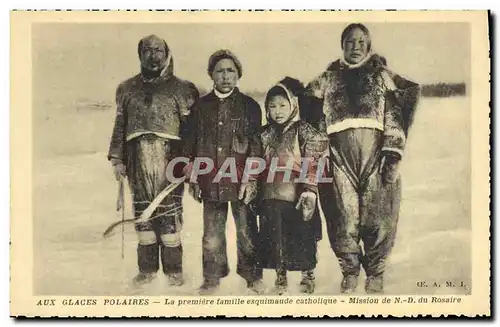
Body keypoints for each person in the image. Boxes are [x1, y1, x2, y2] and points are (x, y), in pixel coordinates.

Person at [303, 23, 421, 294]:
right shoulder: (328, 78)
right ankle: (350, 270)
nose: (355, 47)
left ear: (368, 46)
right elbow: (312, 112)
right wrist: (320, 152)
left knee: (378, 215)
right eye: (350, 41)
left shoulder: (380, 75)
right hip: (338, 158)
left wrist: (392, 153)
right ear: (342, 45)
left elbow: (394, 112)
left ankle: (376, 272)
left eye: (360, 42)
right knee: (342, 216)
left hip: (375, 155)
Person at [107, 34, 199, 287]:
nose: (153, 55)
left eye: (158, 49)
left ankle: (173, 271)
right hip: (137, 156)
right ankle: (147, 270)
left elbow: (191, 130)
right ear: (140, 54)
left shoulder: (184, 89)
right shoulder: (126, 89)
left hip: (170, 157)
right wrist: (117, 159)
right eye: (147, 50)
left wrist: (189, 161)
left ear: (166, 53)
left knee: (168, 211)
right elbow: (120, 125)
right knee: (143, 212)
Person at [183, 49, 265, 295]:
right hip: (211, 182)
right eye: (220, 71)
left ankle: (252, 277)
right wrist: (193, 176)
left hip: (241, 181)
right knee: (211, 234)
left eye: (231, 70)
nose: (225, 76)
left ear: (238, 74)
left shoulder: (250, 106)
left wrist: (251, 179)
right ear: (211, 75)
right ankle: (211, 278)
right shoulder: (200, 107)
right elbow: (190, 144)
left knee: (247, 231)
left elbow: (256, 145)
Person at [256, 77, 328, 295]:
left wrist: (309, 188)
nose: (278, 111)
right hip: (272, 193)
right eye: (272, 106)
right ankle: (281, 274)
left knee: (303, 234)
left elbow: (313, 160)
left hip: (298, 192)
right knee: (275, 236)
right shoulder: (264, 134)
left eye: (282, 105)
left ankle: (308, 274)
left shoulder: (303, 130)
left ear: (293, 105)